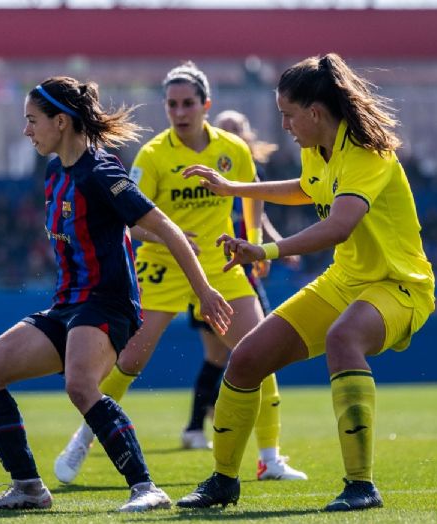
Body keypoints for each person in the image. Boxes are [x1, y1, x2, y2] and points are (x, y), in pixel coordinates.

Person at [174, 53, 436, 512]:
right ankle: (222, 482)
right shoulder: (317, 147)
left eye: (288, 115)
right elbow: (306, 187)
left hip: (400, 285)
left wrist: (267, 249)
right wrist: (235, 189)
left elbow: (338, 227)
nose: (285, 125)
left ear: (314, 113)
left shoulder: (368, 153)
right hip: (345, 281)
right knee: (247, 358)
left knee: (344, 337)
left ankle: (361, 486)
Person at [0, 76, 233, 513]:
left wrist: (203, 292)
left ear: (62, 122)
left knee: (80, 385)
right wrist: (156, 235)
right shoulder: (56, 171)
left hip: (108, 301)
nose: (27, 130)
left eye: (33, 121)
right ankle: (29, 488)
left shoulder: (102, 171)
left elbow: (166, 228)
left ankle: (145, 488)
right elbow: (125, 225)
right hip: (68, 304)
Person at [53, 61, 306, 485]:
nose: (180, 111)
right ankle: (83, 439)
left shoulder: (233, 150)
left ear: (206, 104)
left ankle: (269, 459)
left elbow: (252, 195)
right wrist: (163, 239)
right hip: (162, 269)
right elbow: (127, 221)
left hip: (220, 267)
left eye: (188, 103)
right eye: (172, 104)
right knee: (129, 363)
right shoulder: (153, 156)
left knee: (259, 355)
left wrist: (257, 244)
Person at [181, 110, 301, 461]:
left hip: (243, 265)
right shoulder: (206, 170)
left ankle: (199, 427)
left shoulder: (249, 171)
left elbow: (257, 215)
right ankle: (239, 439)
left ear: (246, 134)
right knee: (228, 354)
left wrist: (270, 246)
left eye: (236, 128)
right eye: (224, 128)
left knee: (222, 356)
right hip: (213, 268)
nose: (230, 133)